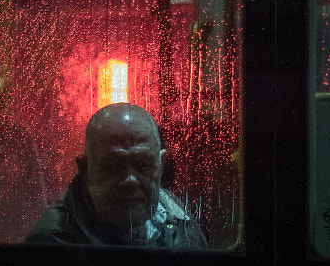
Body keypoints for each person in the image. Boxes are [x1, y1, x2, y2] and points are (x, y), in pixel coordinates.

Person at [25, 103, 208, 248]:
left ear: (161, 164)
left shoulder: (177, 218)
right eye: (112, 166)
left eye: (143, 164)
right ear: (85, 170)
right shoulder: (53, 245)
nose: (130, 179)